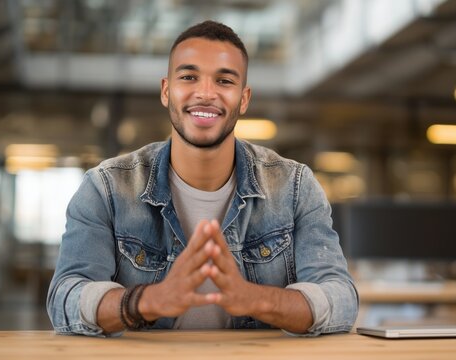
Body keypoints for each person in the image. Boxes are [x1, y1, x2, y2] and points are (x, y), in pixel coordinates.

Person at [47, 20, 358, 337]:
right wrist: (148, 301)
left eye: (224, 80)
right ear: (167, 91)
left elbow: (342, 298)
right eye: (189, 77)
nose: (206, 93)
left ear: (244, 98)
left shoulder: (295, 188)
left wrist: (255, 299)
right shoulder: (106, 189)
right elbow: (65, 298)